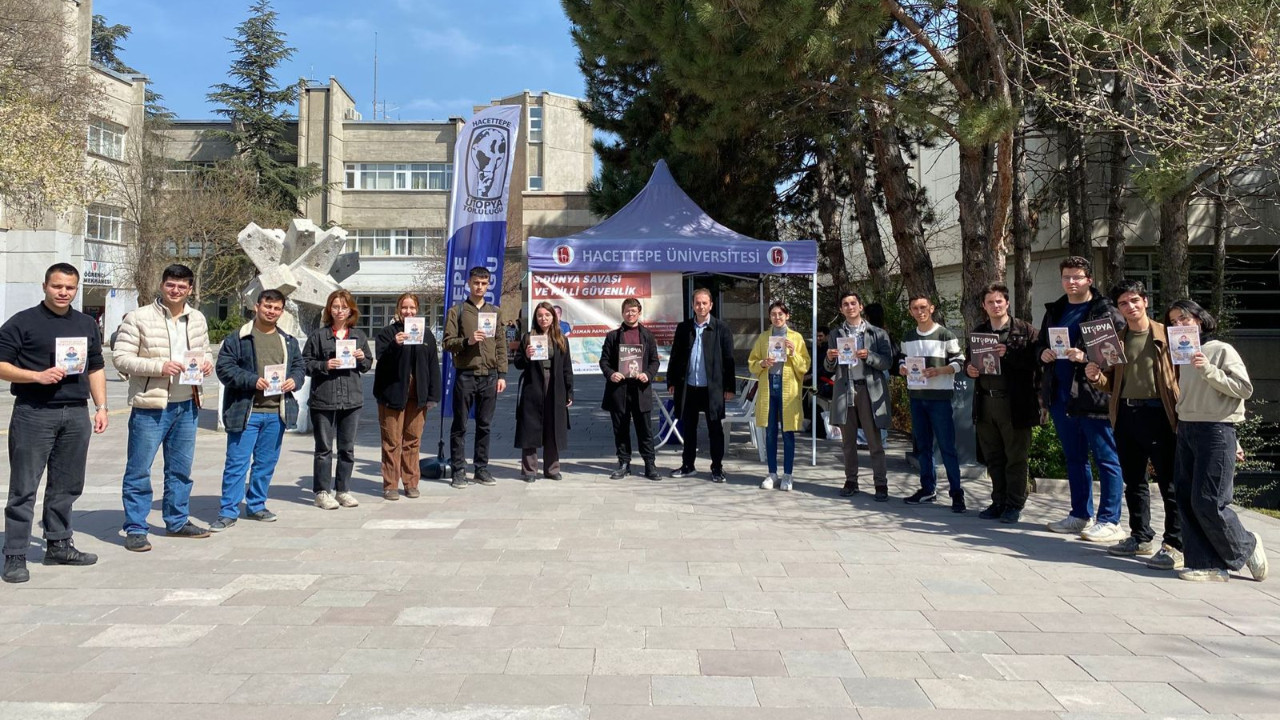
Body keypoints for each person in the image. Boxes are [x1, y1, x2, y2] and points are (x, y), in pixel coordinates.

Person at [0, 264, 107, 583]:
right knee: (24, 487)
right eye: (57, 286)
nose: (63, 292)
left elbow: (96, 367)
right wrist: (36, 376)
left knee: (67, 484)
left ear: (77, 289)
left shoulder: (86, 323)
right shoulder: (22, 322)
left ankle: (59, 544)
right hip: (34, 412)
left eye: (70, 287)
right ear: (45, 286)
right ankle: (15, 554)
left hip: (75, 413)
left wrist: (101, 407)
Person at [112, 264, 214, 552]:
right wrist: (160, 367)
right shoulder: (139, 317)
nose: (175, 290)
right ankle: (135, 527)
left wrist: (208, 363)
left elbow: (206, 351)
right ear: (162, 285)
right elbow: (120, 358)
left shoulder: (197, 318)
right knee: (139, 470)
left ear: (190, 289)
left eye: (182, 286)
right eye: (171, 284)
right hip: (151, 405)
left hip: (188, 404)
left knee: (180, 469)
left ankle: (177, 520)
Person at [1164, 300, 1267, 582]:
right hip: (1187, 428)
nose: (1179, 325)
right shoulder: (1181, 354)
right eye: (1173, 321)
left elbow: (1243, 389)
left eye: (1184, 318)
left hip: (1216, 430)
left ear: (1199, 319)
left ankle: (1246, 544)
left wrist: (1208, 369)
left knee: (1209, 500)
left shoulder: (1220, 349)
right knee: (1186, 498)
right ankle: (1204, 564)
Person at [1084, 280, 1183, 568]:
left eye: (1135, 300)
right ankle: (1140, 536)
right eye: (1123, 303)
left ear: (1145, 301)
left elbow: (1183, 376)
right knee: (1135, 481)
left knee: (1169, 483)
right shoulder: (1116, 340)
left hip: (1161, 415)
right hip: (1126, 415)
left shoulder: (1167, 336)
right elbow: (1112, 383)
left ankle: (1175, 544)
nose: (1130, 307)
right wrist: (1096, 377)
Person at [1037, 256, 1125, 541]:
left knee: (1106, 458)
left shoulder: (1105, 311)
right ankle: (1079, 515)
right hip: (1061, 395)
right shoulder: (1056, 309)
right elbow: (1040, 343)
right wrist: (1043, 353)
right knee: (1075, 458)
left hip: (1093, 396)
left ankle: (1110, 520)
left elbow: (1118, 353)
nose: (1071, 282)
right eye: (1066, 277)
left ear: (1089, 280)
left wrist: (1086, 356)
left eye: (1077, 277)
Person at [211, 289, 305, 531]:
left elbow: (299, 367)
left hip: (276, 413)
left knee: (265, 464)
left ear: (282, 311)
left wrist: (294, 380)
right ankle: (228, 511)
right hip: (246, 412)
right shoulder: (238, 338)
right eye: (267, 306)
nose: (271, 311)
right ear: (257, 306)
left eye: (277, 308)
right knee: (237, 464)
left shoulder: (288, 340)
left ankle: (256, 505)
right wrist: (252, 380)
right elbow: (224, 368)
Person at [965, 284, 1040, 524]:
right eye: (990, 302)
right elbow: (969, 359)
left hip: (1014, 404)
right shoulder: (979, 332)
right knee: (993, 457)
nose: (995, 306)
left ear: (1007, 303)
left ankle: (1014, 504)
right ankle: (998, 501)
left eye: (999, 301)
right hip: (986, 402)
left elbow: (1037, 361)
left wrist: (1008, 353)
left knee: (1016, 457)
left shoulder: (1024, 330)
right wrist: (969, 369)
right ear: (983, 306)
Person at [304, 289, 373, 509]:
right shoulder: (318, 336)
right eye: (335, 306)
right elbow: (304, 364)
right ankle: (322, 492)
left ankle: (343, 490)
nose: (340, 311)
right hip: (324, 398)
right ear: (329, 309)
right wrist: (324, 365)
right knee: (323, 448)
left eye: (344, 307)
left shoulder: (358, 336)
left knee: (347, 448)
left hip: (351, 399)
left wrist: (362, 358)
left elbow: (367, 364)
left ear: (351, 310)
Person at [898, 295, 966, 511]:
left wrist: (940, 370)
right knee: (923, 447)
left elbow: (960, 362)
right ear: (910, 311)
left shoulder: (945, 334)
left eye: (923, 307)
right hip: (917, 398)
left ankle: (957, 494)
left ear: (932, 308)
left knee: (947, 447)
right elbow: (901, 359)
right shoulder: (908, 337)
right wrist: (902, 368)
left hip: (940, 400)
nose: (920, 312)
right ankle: (928, 489)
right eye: (915, 308)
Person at [824, 291, 893, 499]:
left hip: (868, 389)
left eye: (853, 303)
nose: (850, 307)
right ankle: (851, 480)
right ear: (841, 309)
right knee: (848, 442)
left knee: (874, 441)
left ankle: (880, 484)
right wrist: (829, 358)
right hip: (845, 389)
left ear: (860, 306)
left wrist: (869, 356)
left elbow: (887, 362)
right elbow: (828, 367)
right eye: (845, 304)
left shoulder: (877, 333)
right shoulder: (836, 333)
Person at [443, 266, 507, 487]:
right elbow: (447, 343)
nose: (480, 287)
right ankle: (458, 470)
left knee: (485, 425)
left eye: (484, 283)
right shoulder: (457, 311)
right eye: (476, 283)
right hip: (466, 375)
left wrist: (502, 374)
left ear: (488, 285)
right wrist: (467, 341)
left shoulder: (495, 312)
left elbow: (501, 344)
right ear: (469, 283)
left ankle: (481, 468)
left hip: (489, 376)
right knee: (460, 425)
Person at [374, 293, 441, 500]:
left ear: (417, 310)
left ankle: (411, 483)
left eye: (412, 308)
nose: (408, 312)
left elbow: (432, 365)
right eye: (404, 307)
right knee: (391, 441)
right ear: (398, 309)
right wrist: (395, 345)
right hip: (392, 395)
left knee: (412, 440)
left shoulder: (426, 334)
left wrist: (433, 395)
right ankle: (390, 485)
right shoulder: (388, 333)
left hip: (417, 396)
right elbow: (381, 363)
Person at [667, 288, 736, 482]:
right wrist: (672, 380)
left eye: (705, 303)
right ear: (692, 305)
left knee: (715, 429)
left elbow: (729, 359)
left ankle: (717, 468)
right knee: (689, 428)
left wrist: (729, 387)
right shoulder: (684, 328)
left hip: (712, 389)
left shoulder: (721, 328)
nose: (701, 306)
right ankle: (688, 465)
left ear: (711, 305)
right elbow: (675, 356)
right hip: (689, 386)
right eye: (697, 303)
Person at [748, 301, 810, 491]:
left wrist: (792, 353)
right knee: (770, 432)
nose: (777, 317)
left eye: (780, 314)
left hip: (788, 389)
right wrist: (762, 363)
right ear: (770, 317)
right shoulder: (763, 337)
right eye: (773, 314)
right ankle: (772, 473)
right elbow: (752, 363)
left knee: (788, 432)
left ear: (787, 316)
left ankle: (788, 474)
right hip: (769, 387)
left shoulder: (796, 337)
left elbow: (804, 366)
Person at [600, 297, 661, 481]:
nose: (630, 314)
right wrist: (611, 373)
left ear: (639, 313)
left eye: (633, 311)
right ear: (622, 312)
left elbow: (654, 361)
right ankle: (624, 464)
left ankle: (649, 464)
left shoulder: (648, 335)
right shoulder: (613, 336)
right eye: (627, 310)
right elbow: (604, 361)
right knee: (620, 429)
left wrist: (648, 374)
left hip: (640, 390)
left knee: (645, 430)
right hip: (619, 390)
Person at [514, 301, 575, 482]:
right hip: (533, 386)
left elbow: (567, 368)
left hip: (555, 386)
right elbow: (518, 363)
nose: (544, 319)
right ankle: (529, 470)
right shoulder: (528, 337)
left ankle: (552, 469)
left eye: (547, 315)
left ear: (553, 318)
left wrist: (569, 392)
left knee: (553, 427)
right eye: (540, 315)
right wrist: (526, 355)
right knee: (530, 428)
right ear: (536, 317)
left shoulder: (561, 339)